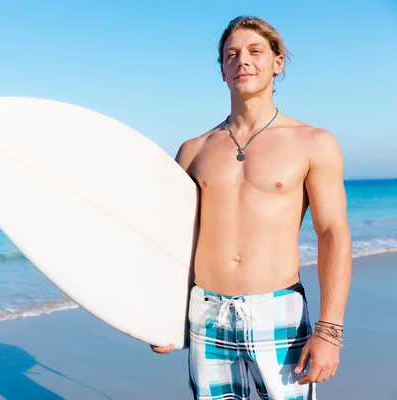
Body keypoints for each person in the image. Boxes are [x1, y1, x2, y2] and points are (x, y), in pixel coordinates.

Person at [150, 16, 352, 400]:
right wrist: (160, 316)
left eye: (255, 51)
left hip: (278, 313)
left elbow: (333, 234)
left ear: (277, 63)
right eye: (231, 54)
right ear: (222, 70)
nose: (243, 60)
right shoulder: (193, 150)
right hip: (205, 313)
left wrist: (329, 330)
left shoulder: (313, 142)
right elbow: (173, 243)